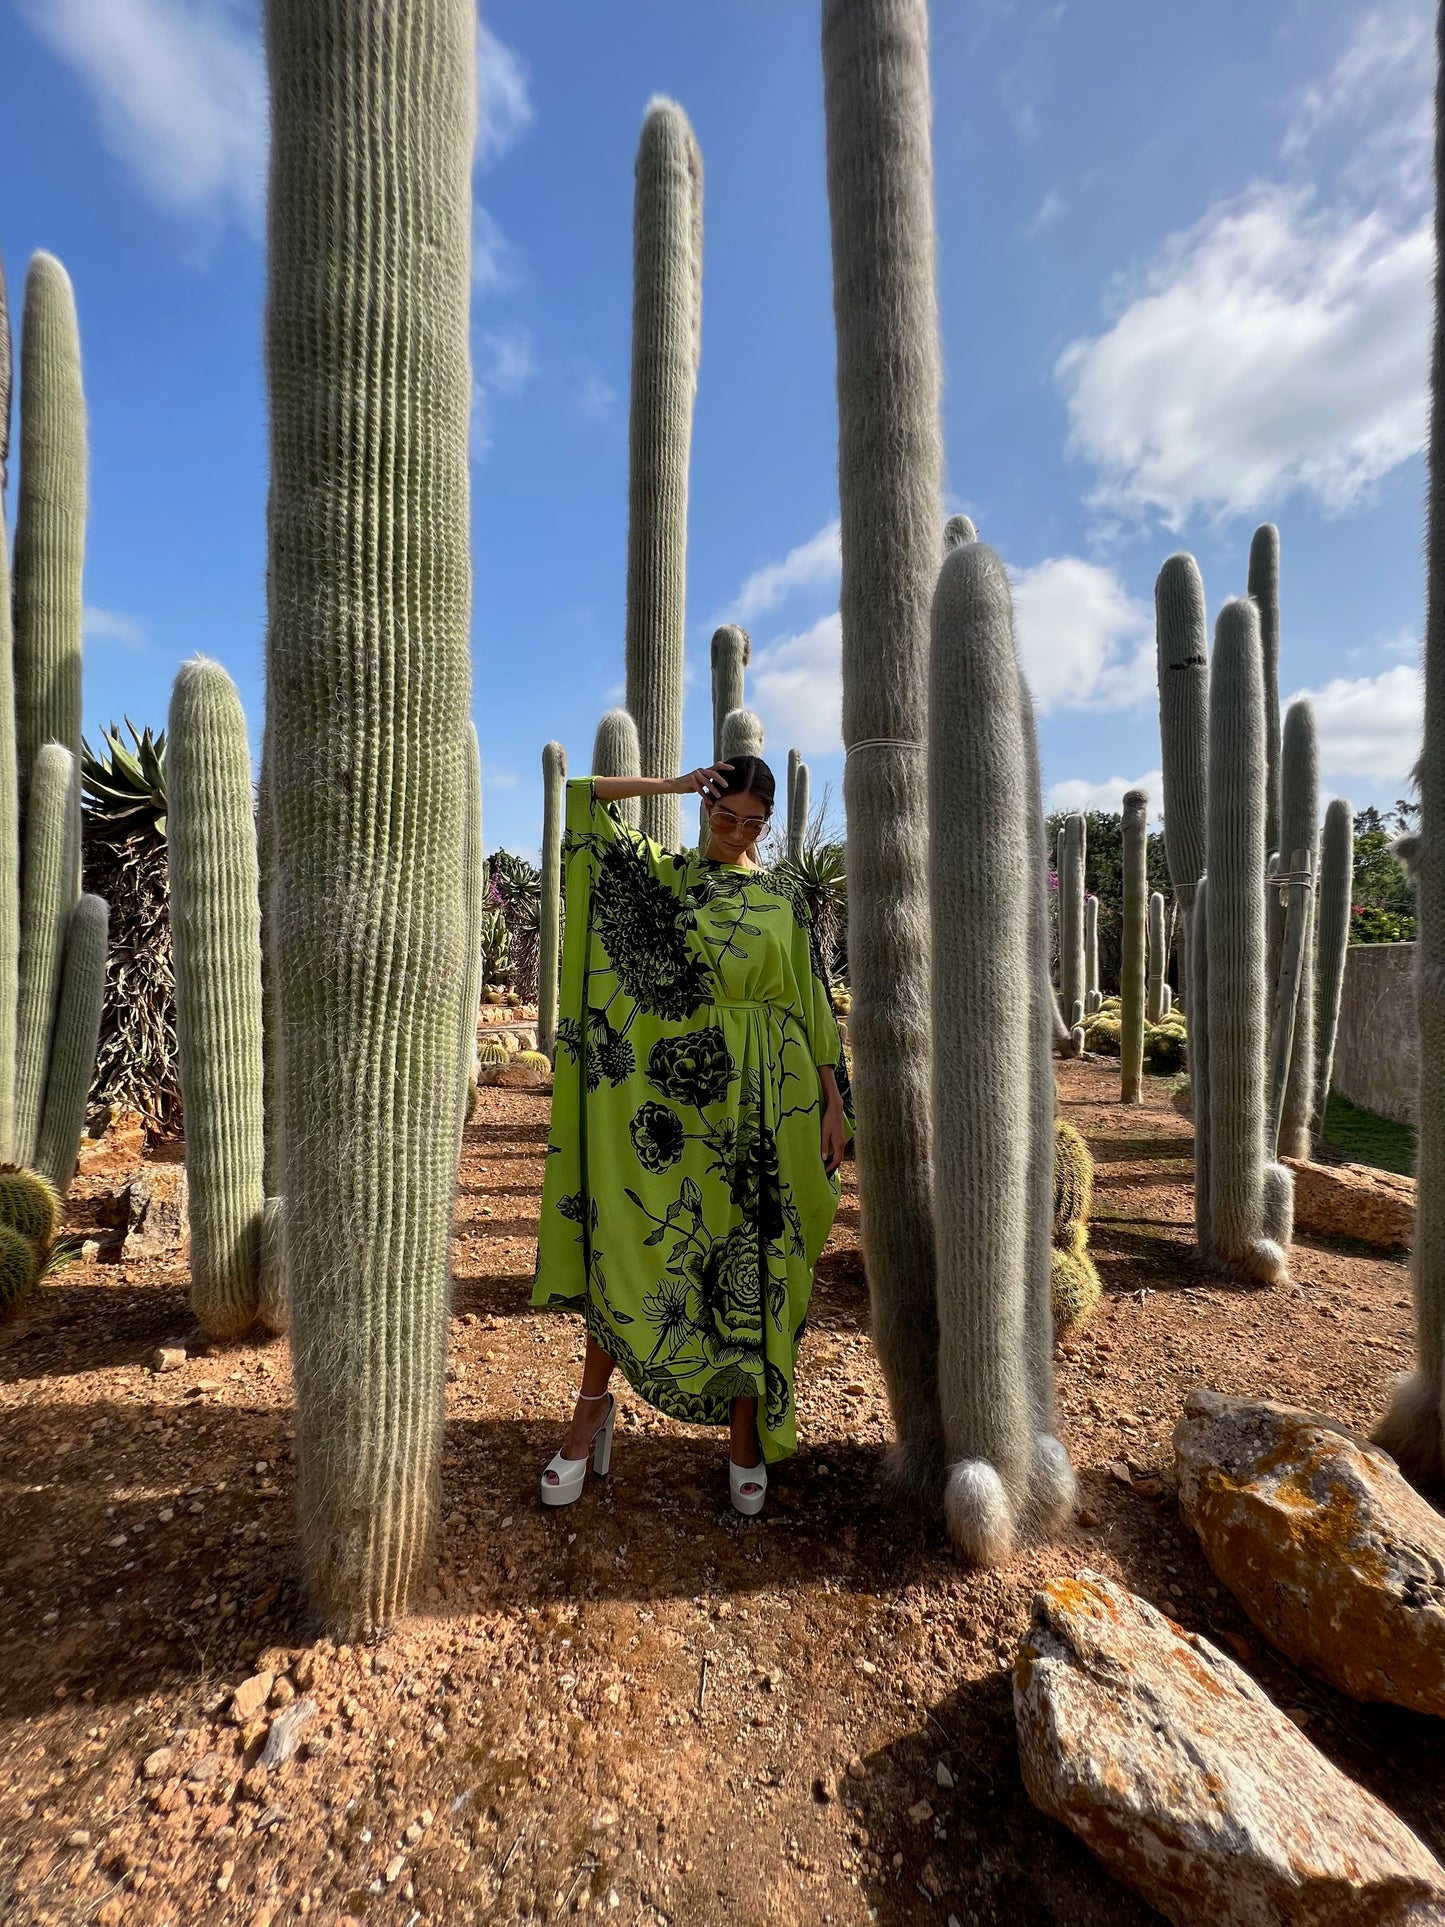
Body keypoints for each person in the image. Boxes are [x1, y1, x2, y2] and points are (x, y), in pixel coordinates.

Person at [531, 756, 850, 1516]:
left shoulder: (783, 898)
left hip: (774, 1102)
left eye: (751, 822)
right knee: (634, 1238)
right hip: (683, 1101)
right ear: (707, 808)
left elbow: (811, 1005)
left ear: (767, 825)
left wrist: (836, 1102)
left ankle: (744, 1434)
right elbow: (583, 804)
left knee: (752, 1256)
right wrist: (670, 788)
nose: (735, 832)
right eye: (723, 815)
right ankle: (588, 1413)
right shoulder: (666, 879)